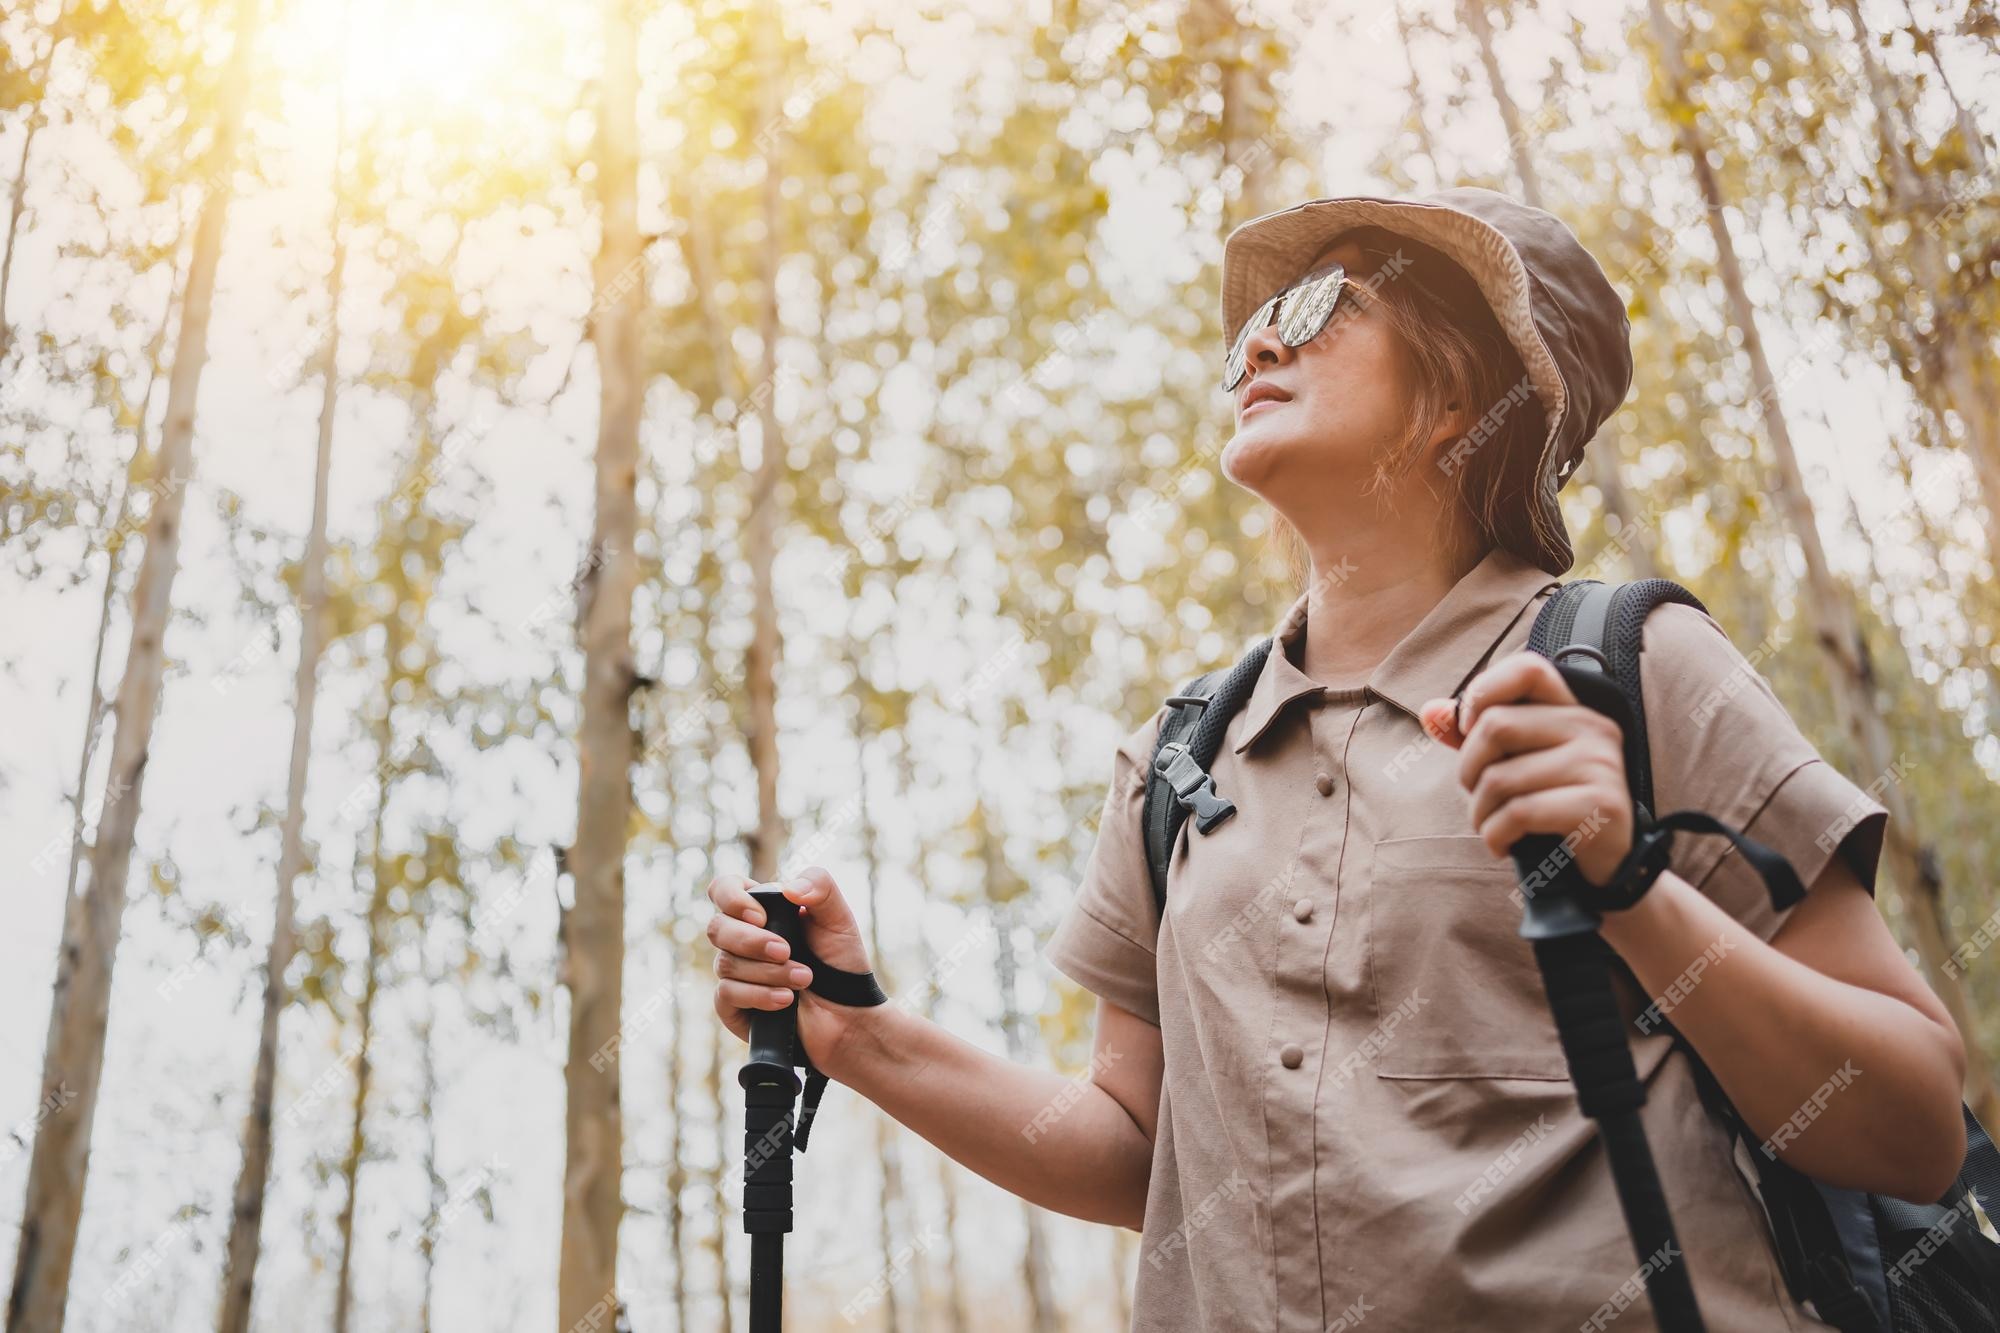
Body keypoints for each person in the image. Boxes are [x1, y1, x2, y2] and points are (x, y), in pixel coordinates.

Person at [703, 187, 1967, 1330]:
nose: (1254, 343)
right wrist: (854, 1032)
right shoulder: (1175, 761)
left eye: (1315, 306)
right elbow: (1138, 1148)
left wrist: (1630, 886)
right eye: (1250, 321)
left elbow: (1910, 1123)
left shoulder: (1636, 667)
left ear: (1462, 398)